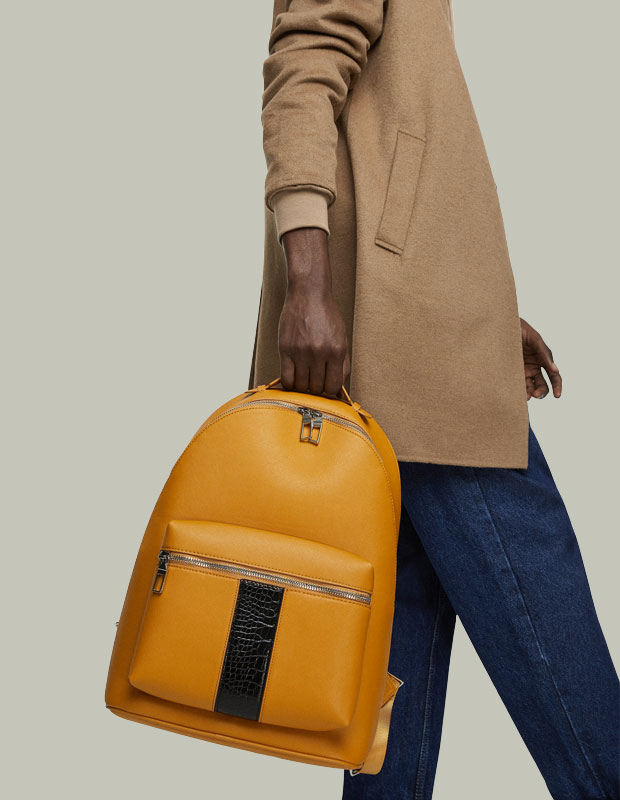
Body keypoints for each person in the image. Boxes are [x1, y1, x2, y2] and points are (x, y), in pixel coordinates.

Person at [248, 1, 619, 797]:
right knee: (583, 706)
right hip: (409, 357)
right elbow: (303, 70)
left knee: (391, 729)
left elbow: (404, 134)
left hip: (417, 339)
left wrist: (480, 311)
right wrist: (307, 287)